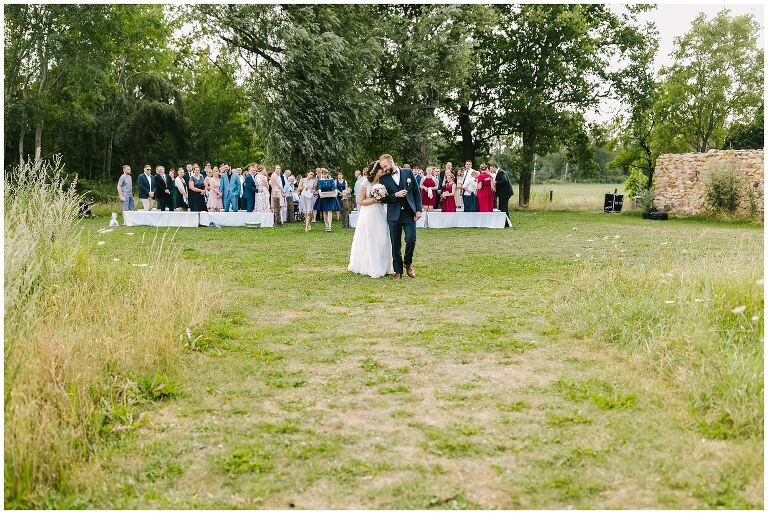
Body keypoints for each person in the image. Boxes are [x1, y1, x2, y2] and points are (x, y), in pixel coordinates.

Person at [376, 153, 422, 280]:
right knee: (395, 244)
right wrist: (395, 195)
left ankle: (408, 264)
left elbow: (416, 192)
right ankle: (398, 272)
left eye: (385, 166)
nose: (384, 169)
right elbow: (383, 199)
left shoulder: (408, 172)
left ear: (391, 162)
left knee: (411, 240)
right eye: (382, 167)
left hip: (409, 213)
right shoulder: (383, 179)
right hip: (393, 215)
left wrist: (418, 210)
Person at [348, 161, 394, 278]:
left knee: (383, 237)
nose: (383, 171)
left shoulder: (383, 182)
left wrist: (383, 197)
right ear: (375, 170)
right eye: (381, 169)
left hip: (380, 213)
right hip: (368, 214)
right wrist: (375, 199)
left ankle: (385, 265)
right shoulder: (365, 183)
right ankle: (371, 266)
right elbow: (360, 201)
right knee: (371, 238)